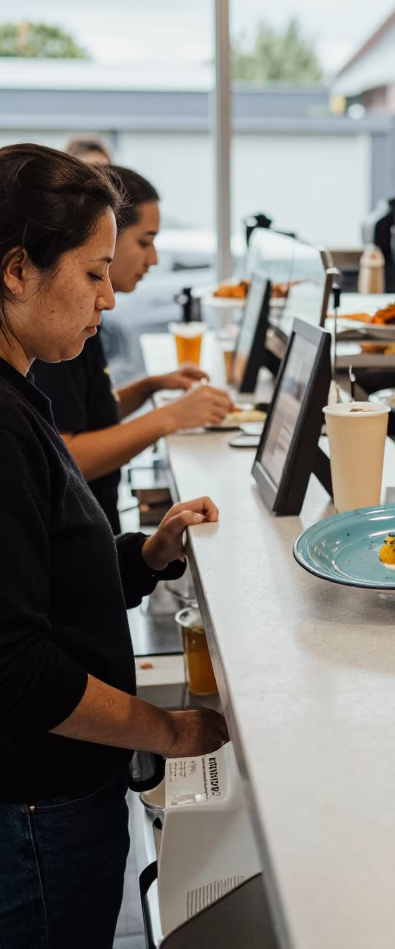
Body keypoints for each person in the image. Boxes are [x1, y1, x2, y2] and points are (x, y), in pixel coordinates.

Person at [0, 144, 229, 947]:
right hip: (35, 814)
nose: (108, 298)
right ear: (18, 271)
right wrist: (165, 733)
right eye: (93, 273)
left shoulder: (22, 387)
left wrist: (146, 556)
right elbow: (16, 666)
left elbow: (46, 576)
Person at [32, 166, 233, 533]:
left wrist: (146, 388)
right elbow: (62, 454)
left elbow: (84, 415)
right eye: (145, 241)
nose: (153, 259)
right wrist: (168, 418)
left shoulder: (80, 322)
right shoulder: (55, 333)